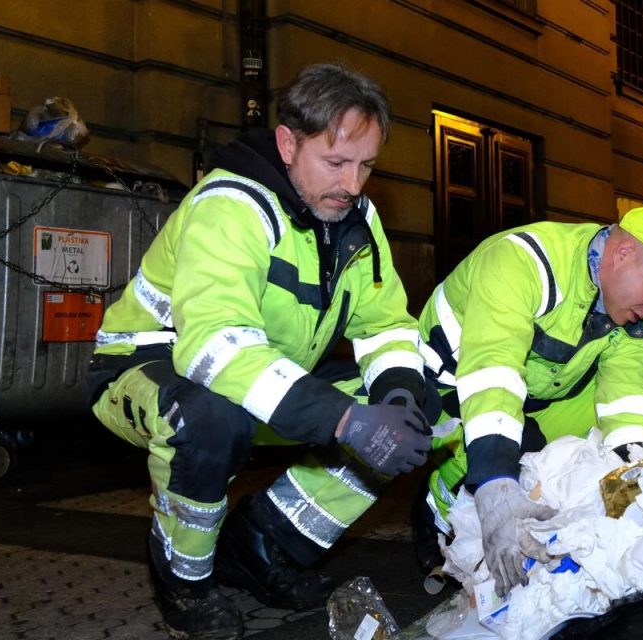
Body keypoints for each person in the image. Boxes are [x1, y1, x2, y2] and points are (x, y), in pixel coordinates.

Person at [87, 64, 435, 640]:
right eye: (335, 162)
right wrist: (345, 418)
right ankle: (185, 578)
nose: (352, 184)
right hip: (150, 368)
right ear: (287, 143)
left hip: (267, 376)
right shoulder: (231, 206)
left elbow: (387, 324)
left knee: (424, 413)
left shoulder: (355, 218)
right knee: (208, 419)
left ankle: (262, 544)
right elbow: (215, 347)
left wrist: (397, 397)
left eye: (366, 166)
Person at [412, 206, 643, 595]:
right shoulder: (520, 260)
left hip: (537, 396)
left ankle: (530, 478)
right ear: (623, 253)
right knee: (512, 460)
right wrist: (495, 482)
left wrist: (629, 502)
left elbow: (631, 399)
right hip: (452, 392)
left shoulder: (632, 312)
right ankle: (441, 497)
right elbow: (493, 370)